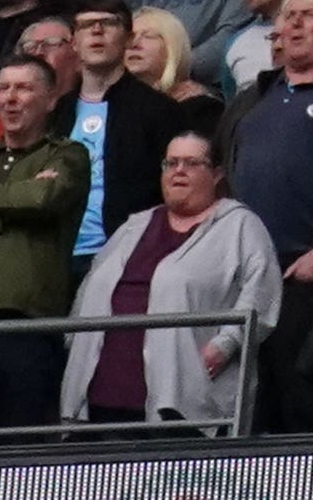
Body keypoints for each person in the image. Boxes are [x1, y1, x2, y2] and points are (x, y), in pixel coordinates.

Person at [57, 127, 274, 433]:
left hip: (182, 397)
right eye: (171, 163)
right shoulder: (135, 225)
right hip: (101, 394)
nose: (178, 171)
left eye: (191, 163)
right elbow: (90, 286)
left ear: (216, 175)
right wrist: (75, 340)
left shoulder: (240, 226)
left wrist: (224, 345)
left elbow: (260, 295)